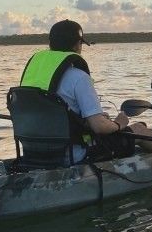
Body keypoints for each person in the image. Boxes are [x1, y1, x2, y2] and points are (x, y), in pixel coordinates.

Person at [19, 19, 134, 163]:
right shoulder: (79, 77)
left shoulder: (33, 74)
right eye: (80, 44)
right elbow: (99, 127)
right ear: (77, 45)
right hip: (73, 155)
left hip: (33, 152)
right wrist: (119, 123)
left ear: (50, 44)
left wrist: (88, 120)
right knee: (138, 130)